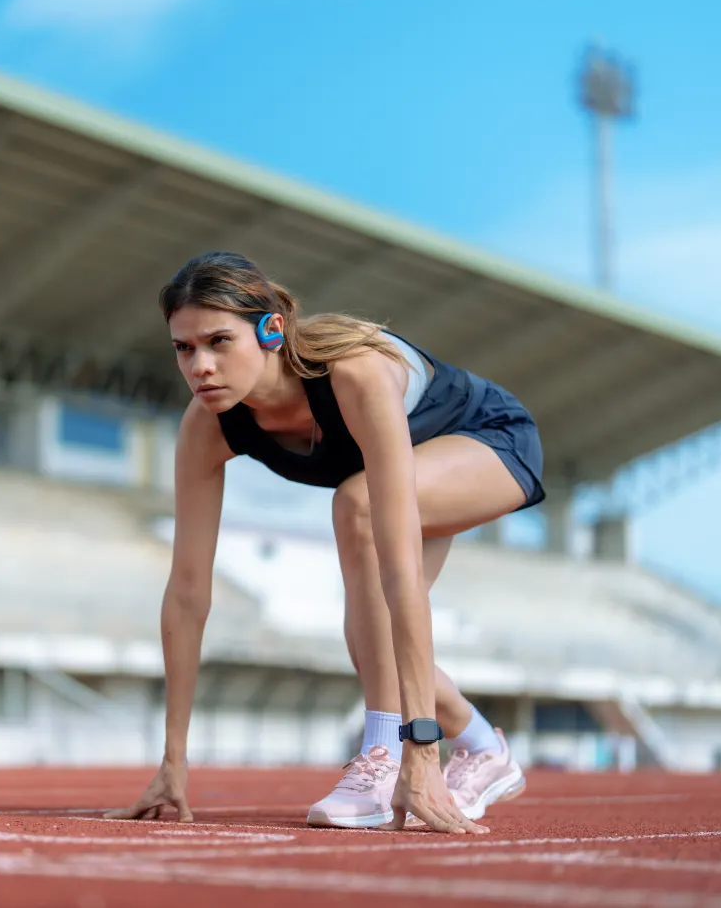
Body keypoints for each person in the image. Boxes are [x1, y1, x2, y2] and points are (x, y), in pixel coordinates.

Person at [105, 251, 542, 834]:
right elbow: (187, 593)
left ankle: (384, 756)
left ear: (271, 330)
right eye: (184, 348)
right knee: (370, 637)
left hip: (488, 441)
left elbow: (400, 573)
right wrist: (172, 763)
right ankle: (487, 750)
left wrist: (420, 749)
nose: (200, 367)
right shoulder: (207, 425)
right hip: (403, 474)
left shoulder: (355, 374)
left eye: (218, 342)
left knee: (356, 507)